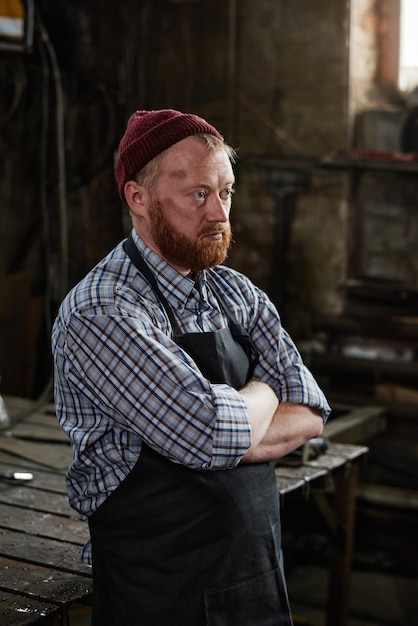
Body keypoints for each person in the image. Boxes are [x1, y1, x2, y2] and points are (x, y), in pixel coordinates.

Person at [52, 108, 331, 626]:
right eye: (198, 194)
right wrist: (270, 387)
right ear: (138, 198)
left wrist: (232, 424)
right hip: (158, 596)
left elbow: (312, 410)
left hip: (258, 588)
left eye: (225, 192)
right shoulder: (103, 310)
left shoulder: (235, 291)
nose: (220, 214)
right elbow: (208, 434)